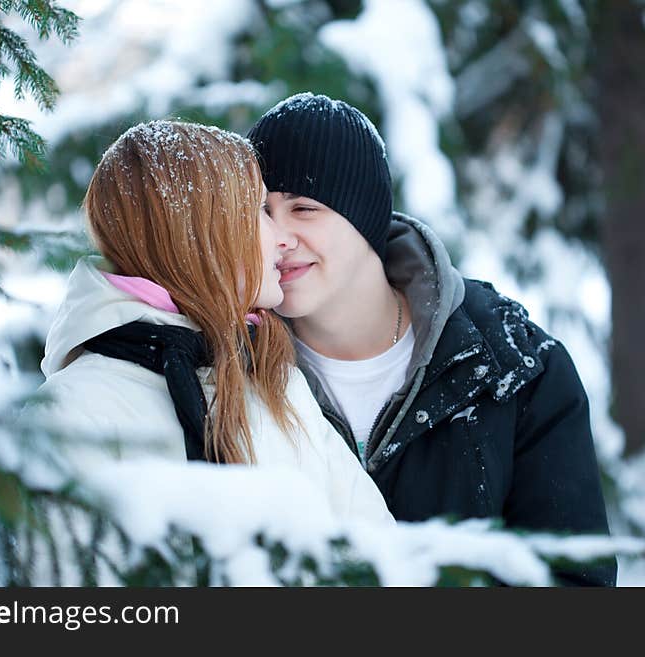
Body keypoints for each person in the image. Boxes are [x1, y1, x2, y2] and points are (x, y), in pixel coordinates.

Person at [247, 93, 616, 586]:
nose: (278, 236)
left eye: (304, 208)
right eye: (261, 212)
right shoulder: (231, 370)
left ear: (364, 215)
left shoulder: (516, 369)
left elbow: (572, 583)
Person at [33, 120, 393, 525]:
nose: (282, 237)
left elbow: (378, 558)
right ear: (196, 233)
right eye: (259, 211)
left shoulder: (277, 384)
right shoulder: (70, 414)